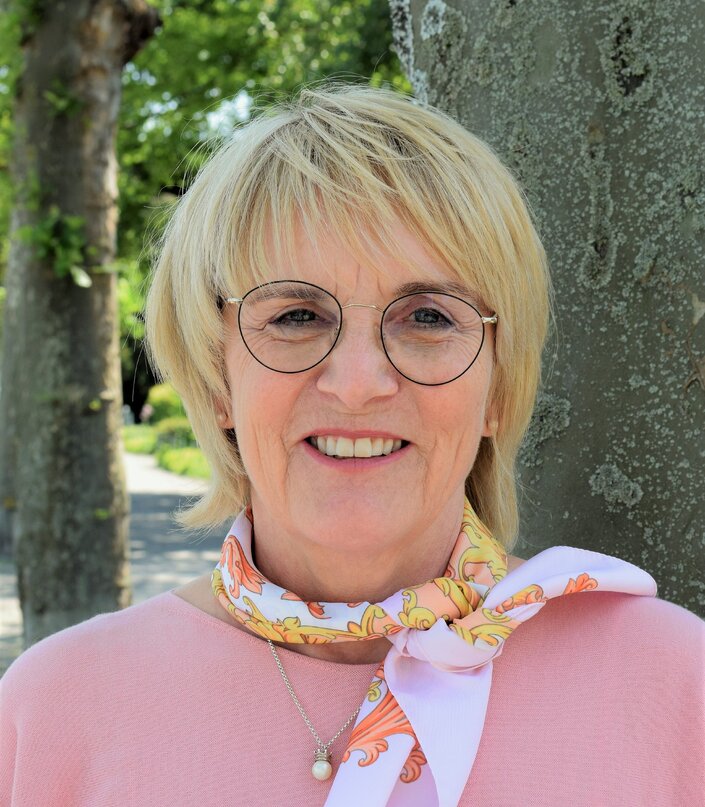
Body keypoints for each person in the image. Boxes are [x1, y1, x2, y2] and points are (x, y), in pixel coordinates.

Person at [1, 82, 703, 807]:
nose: (359, 383)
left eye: (427, 317)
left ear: (497, 388)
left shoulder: (676, 688)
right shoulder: (57, 713)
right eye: (296, 315)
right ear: (216, 380)